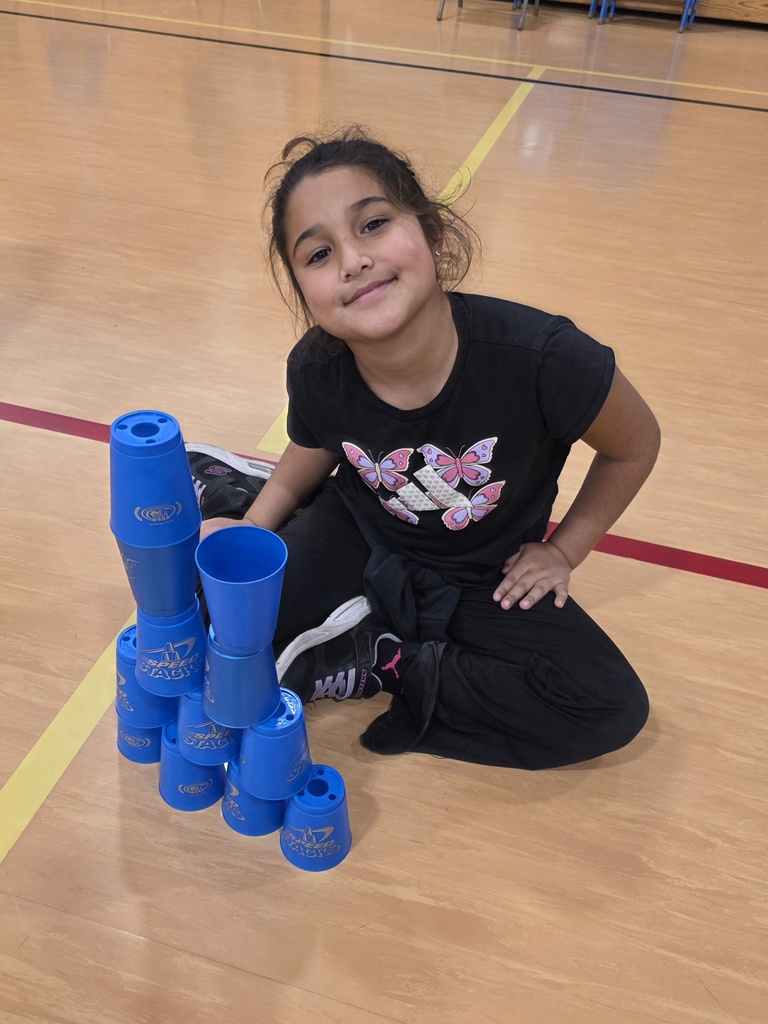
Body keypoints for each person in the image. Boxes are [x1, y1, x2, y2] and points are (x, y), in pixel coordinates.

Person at [187, 125, 660, 770]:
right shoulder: (319, 368)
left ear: (434, 233)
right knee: (227, 621)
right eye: (318, 255)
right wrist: (251, 534)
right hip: (359, 530)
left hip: (480, 576)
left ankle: (392, 662)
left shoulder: (543, 358)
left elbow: (635, 445)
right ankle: (242, 491)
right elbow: (313, 444)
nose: (352, 260)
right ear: (304, 295)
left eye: (373, 224)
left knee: (606, 706)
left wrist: (562, 550)